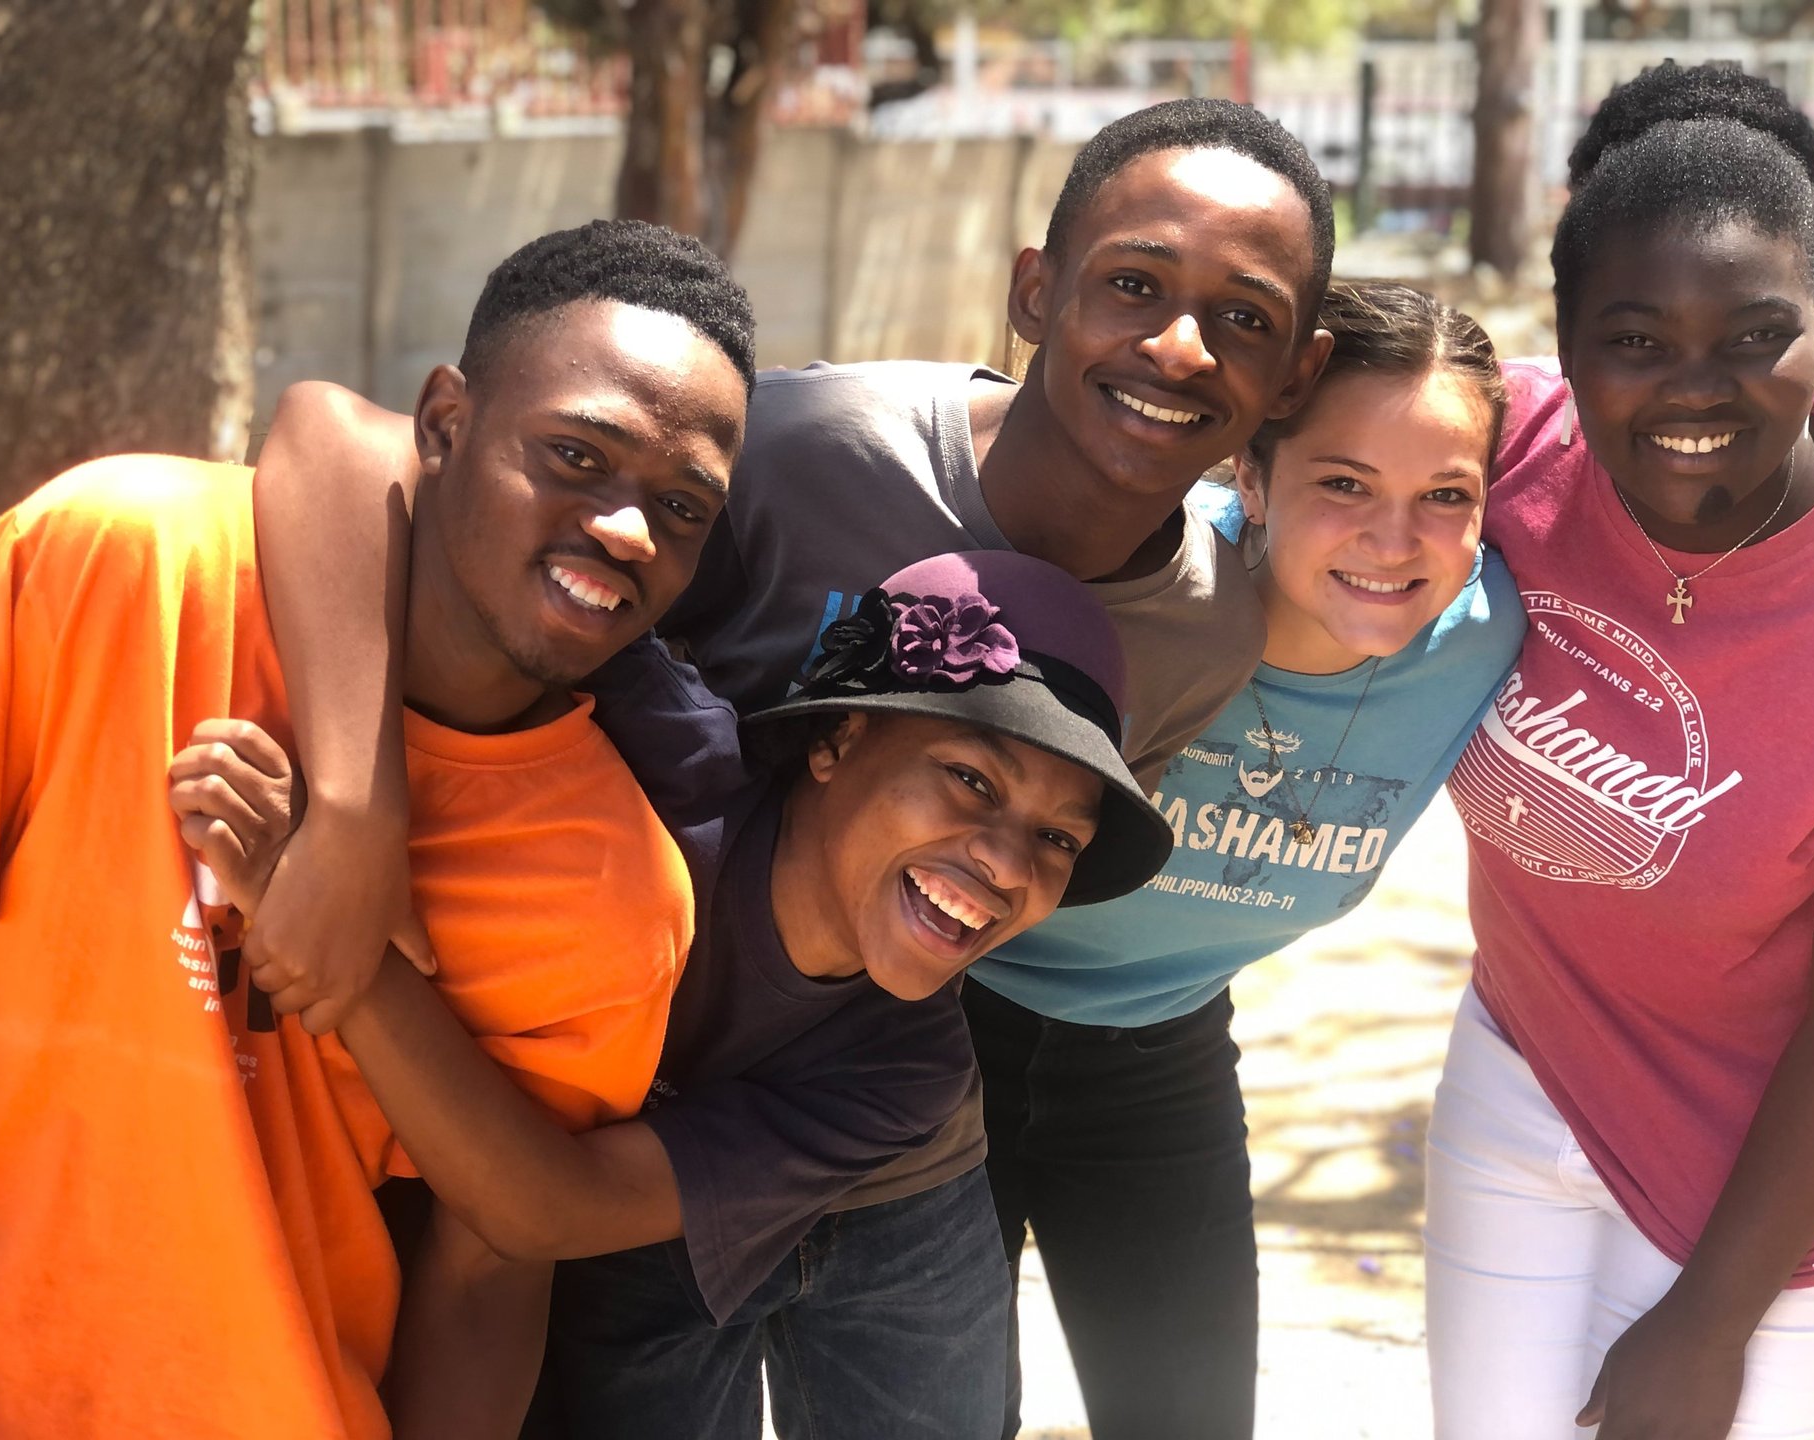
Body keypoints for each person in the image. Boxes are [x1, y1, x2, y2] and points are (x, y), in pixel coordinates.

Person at [247, 96, 1338, 1433]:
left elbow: (1027, 848)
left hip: (879, 1143)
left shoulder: (1216, 624)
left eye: (1245, 317)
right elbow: (371, 452)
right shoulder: (800, 454)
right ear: (1035, 292)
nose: (1178, 344)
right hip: (595, 1097)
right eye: (1133, 284)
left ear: (1295, 369)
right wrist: (353, 827)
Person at [0, 218, 753, 1439]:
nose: (633, 530)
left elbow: (486, 1276)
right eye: (579, 454)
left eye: (683, 506)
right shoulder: (115, 564)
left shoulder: (611, 889)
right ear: (444, 422)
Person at [174, 549, 1175, 1440]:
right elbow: (339, 440)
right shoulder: (661, 750)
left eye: (1058, 840)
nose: (1006, 862)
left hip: (546, 1259)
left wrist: (322, 923)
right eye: (970, 778)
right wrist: (353, 815)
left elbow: (544, 1213)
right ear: (835, 743)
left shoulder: (905, 1068)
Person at [964, 279, 1523, 1437]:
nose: (1393, 539)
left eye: (1445, 495)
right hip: (938, 1033)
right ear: (1252, 479)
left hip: (1160, 1047)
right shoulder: (1125, 591)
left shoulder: (1491, 637)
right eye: (1343, 483)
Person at [1427, 62, 1814, 1440]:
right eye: (1636, 336)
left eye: (1756, 335)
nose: (1697, 388)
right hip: (1518, 1076)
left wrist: (1712, 1318)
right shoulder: (1500, 455)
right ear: (1560, 337)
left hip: (1765, 1184)